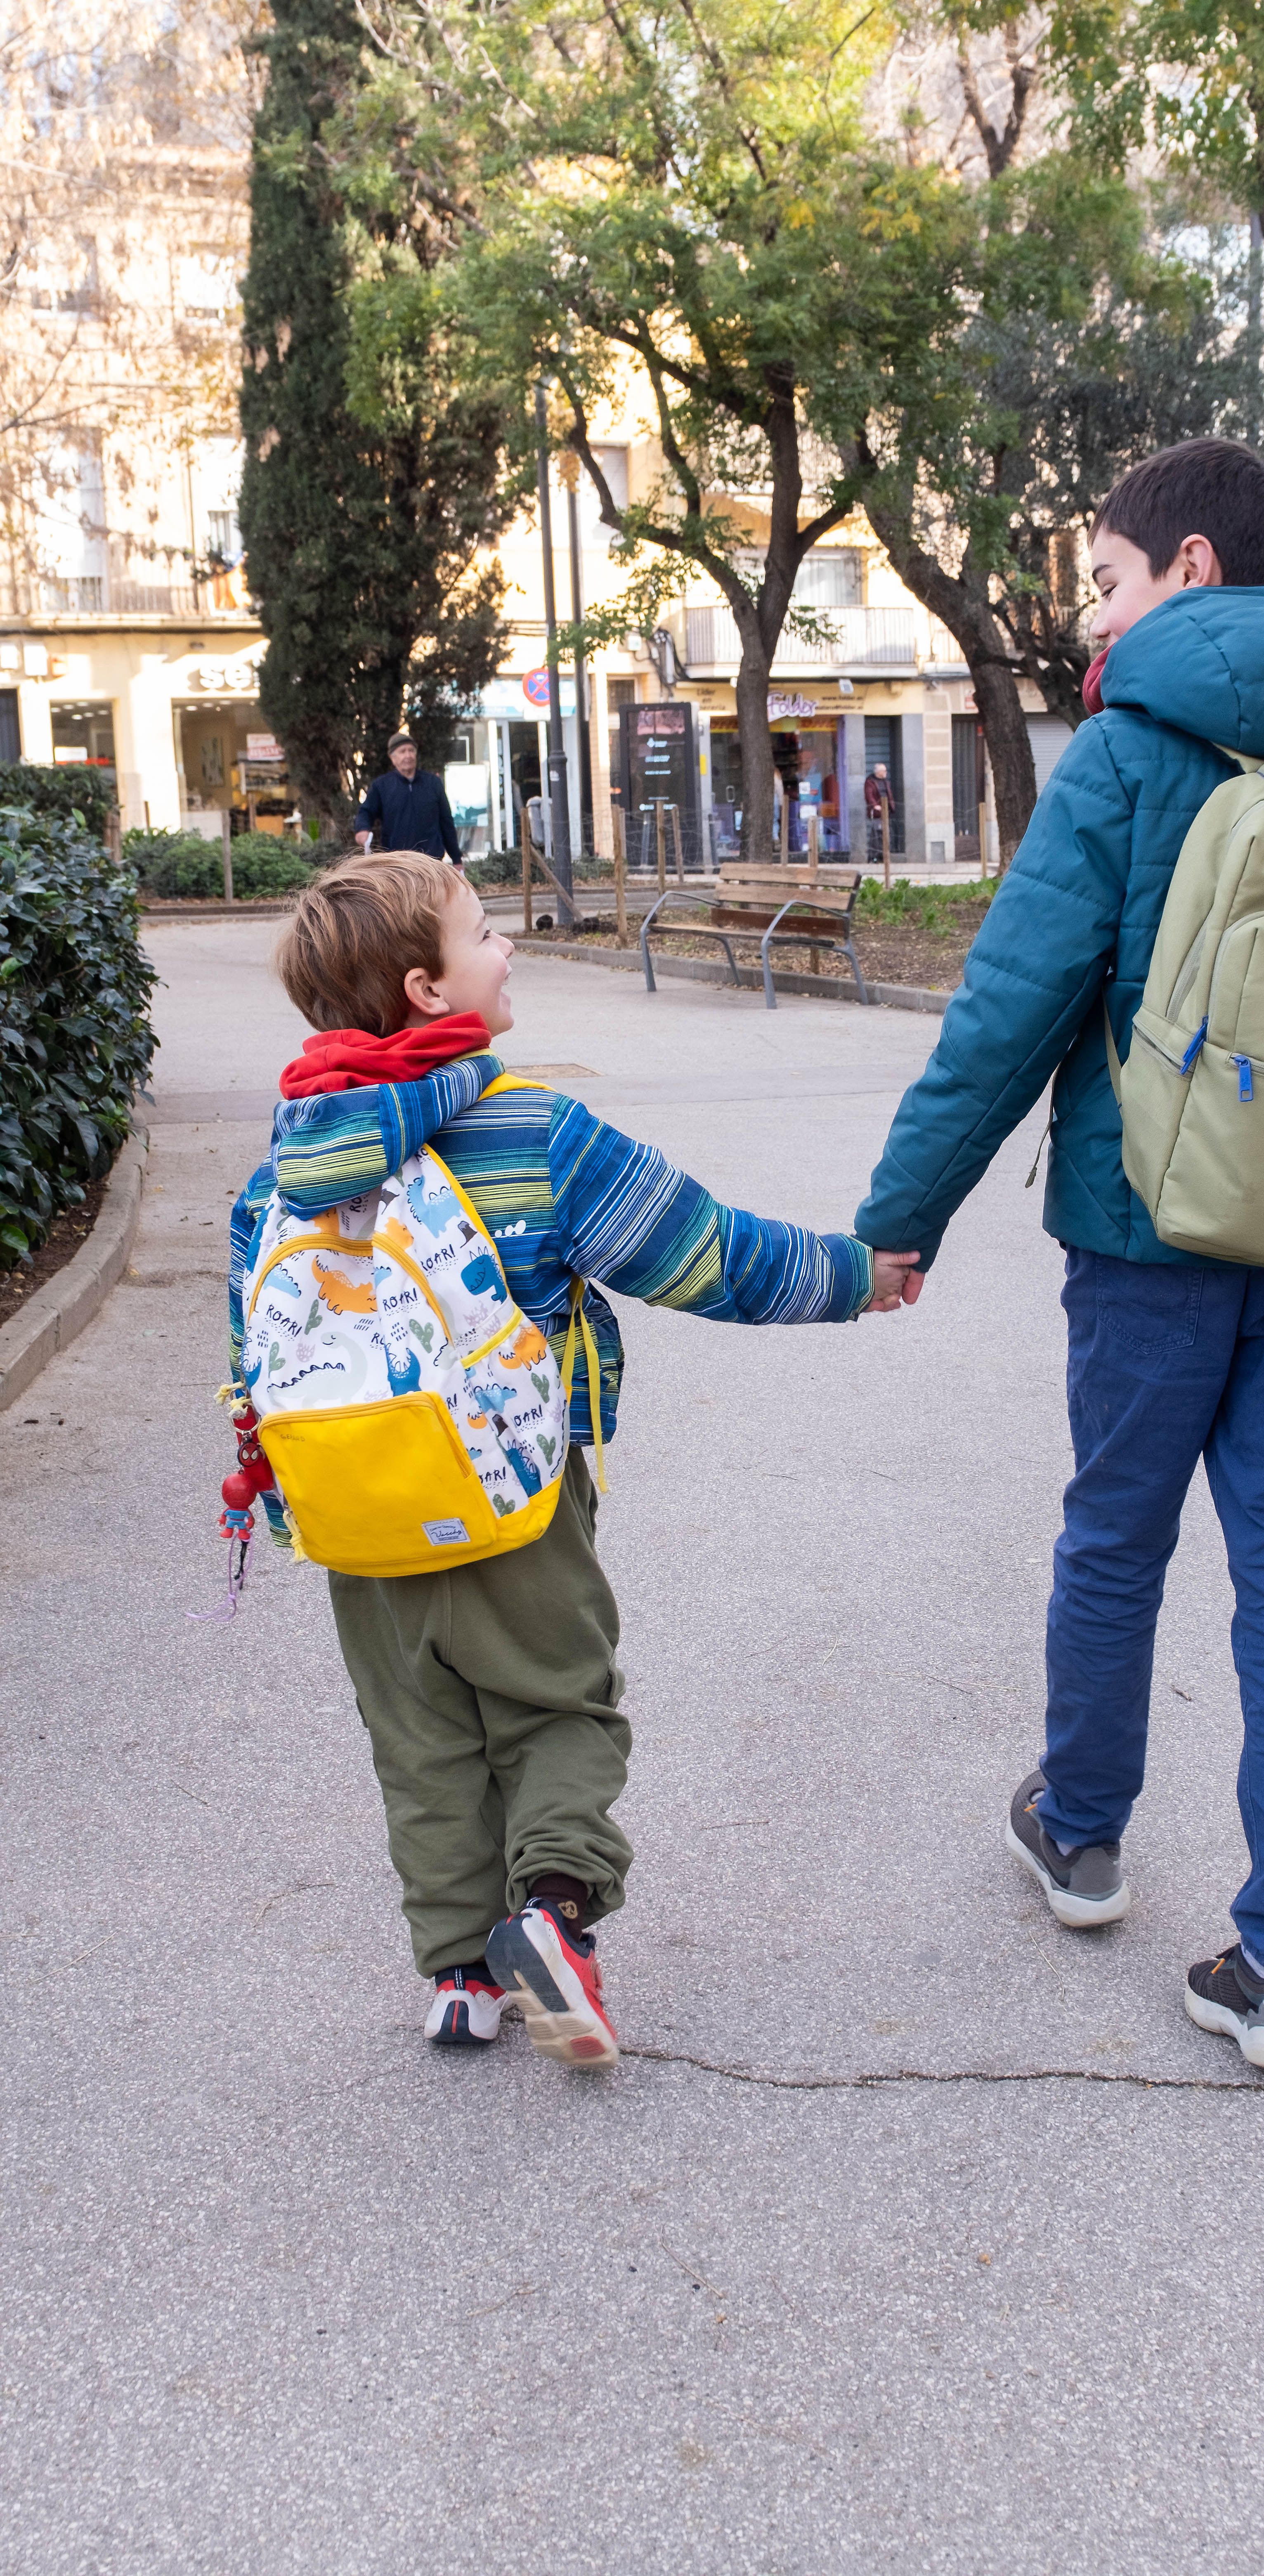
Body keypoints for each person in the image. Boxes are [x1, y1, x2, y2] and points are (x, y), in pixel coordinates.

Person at [853, 438, 1264, 2076]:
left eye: (1109, 584)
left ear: (1190, 570)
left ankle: (1079, 1833)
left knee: (1113, 1535)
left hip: (1145, 1234)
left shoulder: (1125, 754)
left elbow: (1010, 1006)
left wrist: (900, 1219)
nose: (1094, 624)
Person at [230, 851, 919, 2070]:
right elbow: (705, 1254)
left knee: (420, 1731)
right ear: (426, 989)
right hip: (515, 1492)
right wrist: (855, 1276)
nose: (508, 949)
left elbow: (259, 1352)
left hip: (352, 1507)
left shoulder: (277, 1176)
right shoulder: (535, 1132)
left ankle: (455, 1973)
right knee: (557, 1705)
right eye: (483, 933)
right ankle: (549, 1916)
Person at [352, 731, 464, 867]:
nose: (408, 755)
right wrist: (362, 829)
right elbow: (366, 812)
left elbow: (446, 822)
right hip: (397, 864)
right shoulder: (382, 786)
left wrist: (457, 859)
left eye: (411, 750)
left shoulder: (433, 783)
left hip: (432, 864)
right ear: (393, 758)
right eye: (403, 751)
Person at [862, 761, 894, 860]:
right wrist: (875, 806)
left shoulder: (885, 781)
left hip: (887, 812)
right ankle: (875, 856)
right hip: (876, 814)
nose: (886, 772)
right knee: (877, 834)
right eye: (884, 771)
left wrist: (891, 807)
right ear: (879, 772)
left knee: (887, 834)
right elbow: (869, 796)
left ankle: (885, 855)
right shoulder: (870, 782)